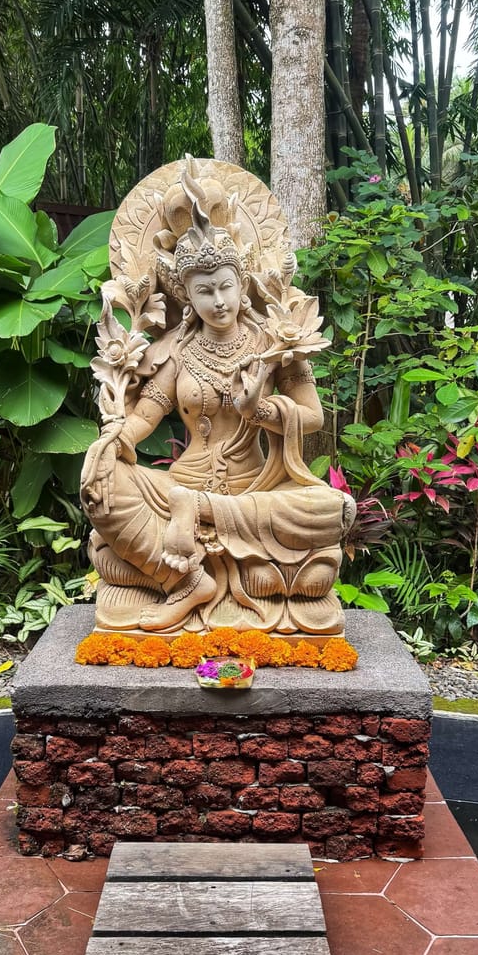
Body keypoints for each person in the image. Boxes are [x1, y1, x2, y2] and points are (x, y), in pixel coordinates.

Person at [80, 162, 354, 634]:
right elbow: (146, 414)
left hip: (257, 491)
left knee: (333, 511)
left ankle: (187, 545)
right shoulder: (175, 351)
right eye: (204, 291)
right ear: (186, 296)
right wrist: (113, 439)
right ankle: (189, 580)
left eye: (226, 285)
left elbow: (313, 416)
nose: (219, 301)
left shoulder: (277, 343)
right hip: (179, 487)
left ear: (243, 282)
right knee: (101, 487)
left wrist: (260, 410)